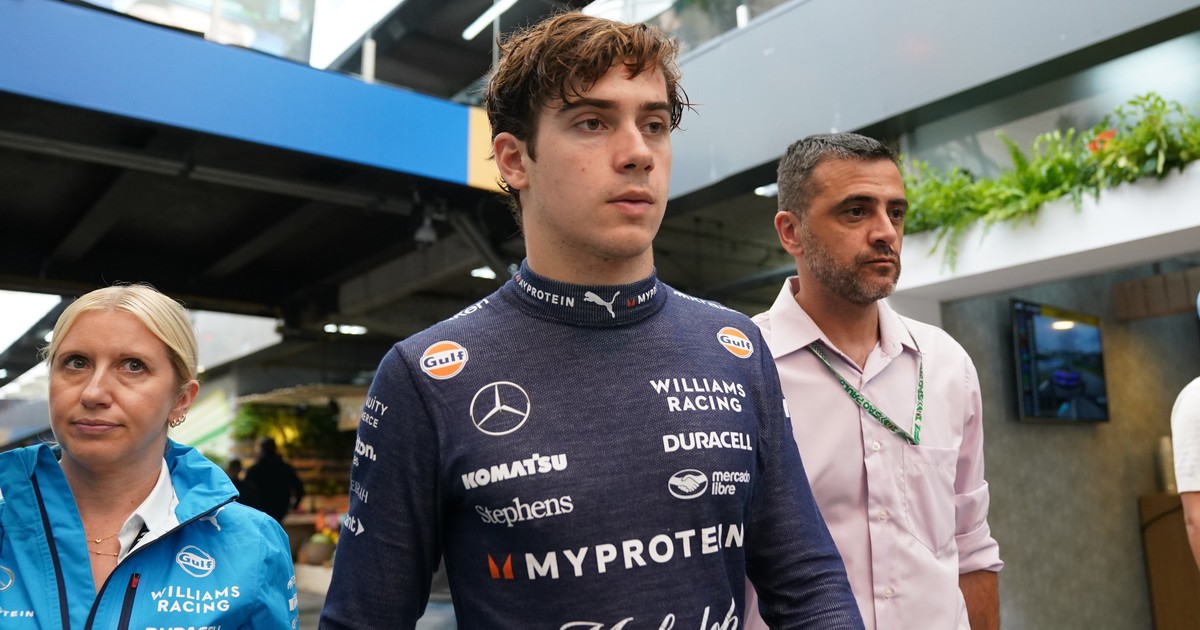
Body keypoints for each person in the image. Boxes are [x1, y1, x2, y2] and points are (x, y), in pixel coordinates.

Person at [321, 12, 862, 629]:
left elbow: (807, 580)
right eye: (592, 122)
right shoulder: (424, 378)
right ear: (514, 160)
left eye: (654, 125)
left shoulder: (734, 348)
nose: (637, 154)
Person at [745, 133, 1003, 630]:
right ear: (791, 232)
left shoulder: (946, 363)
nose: (886, 232)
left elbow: (970, 545)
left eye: (896, 212)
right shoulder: (742, 369)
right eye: (856, 211)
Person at [0, 284, 298, 628]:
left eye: (133, 366)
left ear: (181, 400)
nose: (94, 393)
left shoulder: (252, 545)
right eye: (76, 362)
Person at [244, 436, 305, 524]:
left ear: (262, 449)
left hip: (261, 507)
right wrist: (294, 505)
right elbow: (298, 486)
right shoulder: (285, 467)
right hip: (281, 506)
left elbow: (246, 489)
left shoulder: (255, 469)